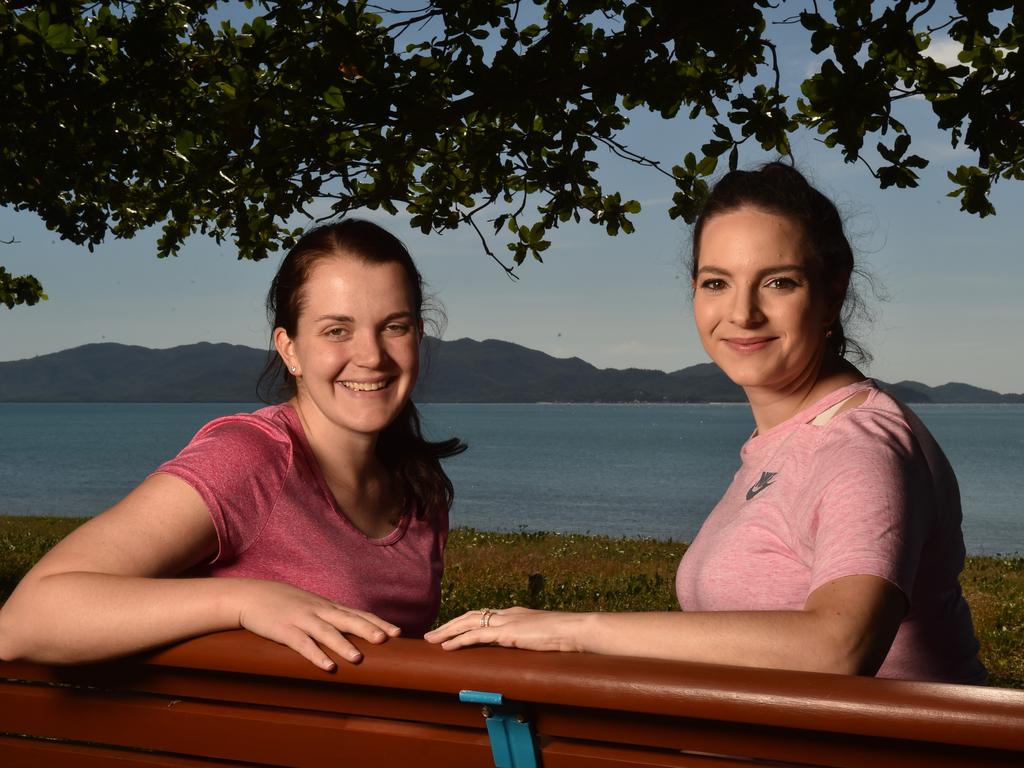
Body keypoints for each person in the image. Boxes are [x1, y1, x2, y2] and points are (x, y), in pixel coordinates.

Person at [426, 162, 986, 684]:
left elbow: (838, 647)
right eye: (717, 282)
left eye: (778, 282)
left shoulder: (857, 448)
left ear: (832, 291)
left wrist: (575, 630)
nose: (742, 313)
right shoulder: (788, 438)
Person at [0, 219, 465, 671]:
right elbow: (24, 622)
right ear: (290, 350)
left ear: (418, 337)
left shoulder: (419, 489)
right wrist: (244, 599)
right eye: (336, 331)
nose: (370, 356)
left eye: (394, 327)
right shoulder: (248, 459)